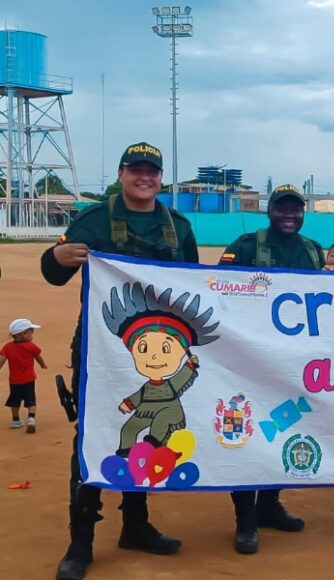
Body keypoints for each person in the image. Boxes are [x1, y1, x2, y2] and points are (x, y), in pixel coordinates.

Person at [41, 142, 198, 580]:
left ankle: (135, 524)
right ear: (121, 173)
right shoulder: (92, 220)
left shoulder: (178, 227)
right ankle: (81, 540)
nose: (143, 177)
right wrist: (58, 256)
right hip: (99, 350)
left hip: (159, 354)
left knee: (146, 431)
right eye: (136, 170)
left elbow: (191, 289)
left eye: (151, 171)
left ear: (160, 177)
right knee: (91, 438)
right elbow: (51, 274)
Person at [218, 183, 324, 554]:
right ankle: (245, 518)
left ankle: (269, 504)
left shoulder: (313, 250)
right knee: (246, 433)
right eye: (282, 209)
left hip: (294, 363)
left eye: (295, 209)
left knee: (285, 427)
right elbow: (219, 288)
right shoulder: (246, 246)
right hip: (248, 361)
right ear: (270, 211)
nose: (289, 215)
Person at [0, 318, 47, 432]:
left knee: (14, 400)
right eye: (31, 332)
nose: (32, 335)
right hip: (29, 379)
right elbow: (38, 357)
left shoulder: (8, 347)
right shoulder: (31, 346)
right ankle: (31, 418)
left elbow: (1, 360)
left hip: (14, 381)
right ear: (24, 334)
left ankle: (15, 420)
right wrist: (43, 365)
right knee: (31, 400)